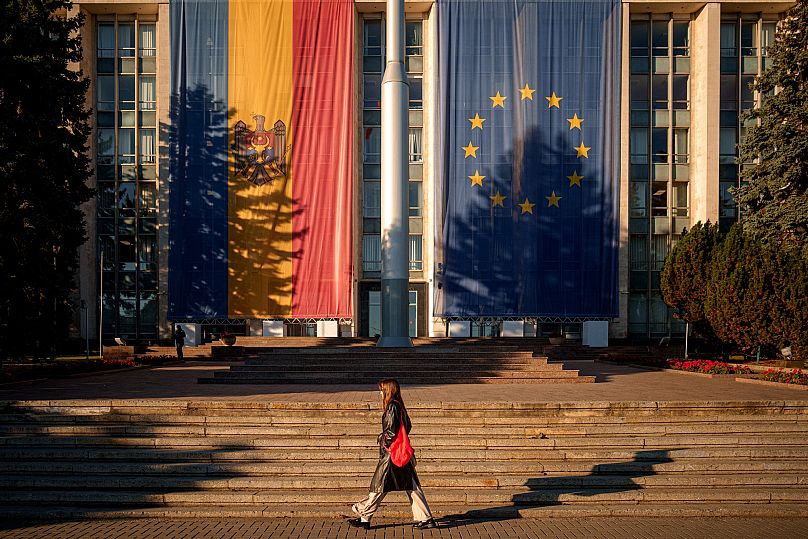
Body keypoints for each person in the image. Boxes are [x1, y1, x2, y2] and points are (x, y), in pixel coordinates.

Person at [348, 379, 437, 530]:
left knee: (379, 486)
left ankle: (363, 513)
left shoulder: (391, 406)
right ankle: (425, 517)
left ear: (388, 390)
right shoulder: (399, 405)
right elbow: (408, 425)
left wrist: (383, 440)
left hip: (392, 455)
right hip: (401, 452)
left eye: (382, 389)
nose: (380, 392)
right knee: (411, 487)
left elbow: (391, 431)